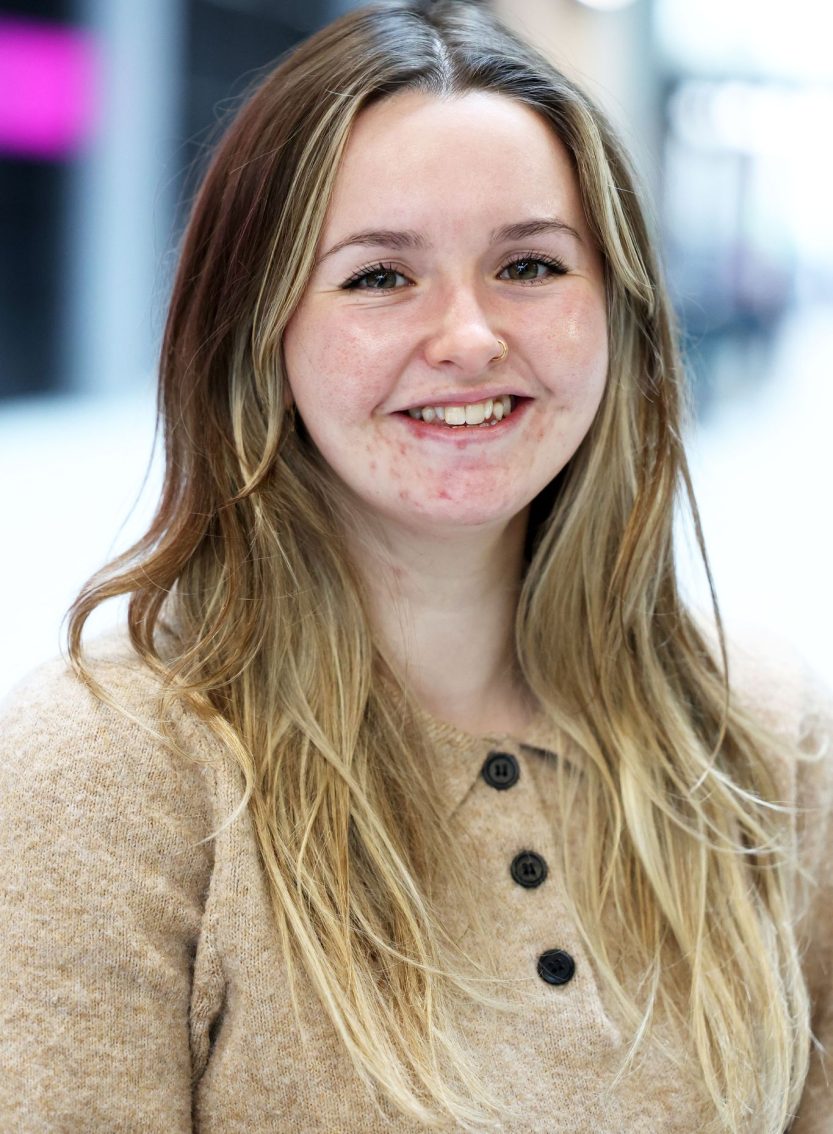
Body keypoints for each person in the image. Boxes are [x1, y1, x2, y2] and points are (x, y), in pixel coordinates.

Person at [0, 1, 830, 1130]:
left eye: (530, 264)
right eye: (379, 278)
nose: (472, 336)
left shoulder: (761, 731)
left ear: (619, 313)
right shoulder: (107, 767)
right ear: (259, 331)